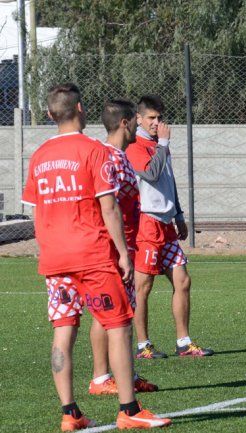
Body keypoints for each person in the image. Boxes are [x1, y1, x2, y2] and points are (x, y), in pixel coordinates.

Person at [21, 84, 170, 430]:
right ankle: (128, 410)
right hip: (92, 254)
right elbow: (109, 207)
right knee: (118, 326)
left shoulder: (40, 155)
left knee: (63, 332)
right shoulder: (94, 150)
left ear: (49, 114)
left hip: (55, 258)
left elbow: (35, 211)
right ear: (81, 109)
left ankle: (69, 412)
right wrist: (123, 254)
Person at [126, 95, 212, 358]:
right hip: (147, 224)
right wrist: (163, 143)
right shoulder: (135, 147)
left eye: (159, 118)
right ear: (138, 118)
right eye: (151, 118)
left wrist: (179, 214)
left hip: (166, 224)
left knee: (183, 281)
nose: (157, 123)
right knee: (144, 286)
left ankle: (184, 342)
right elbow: (151, 175)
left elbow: (168, 181)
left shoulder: (159, 146)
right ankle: (143, 345)